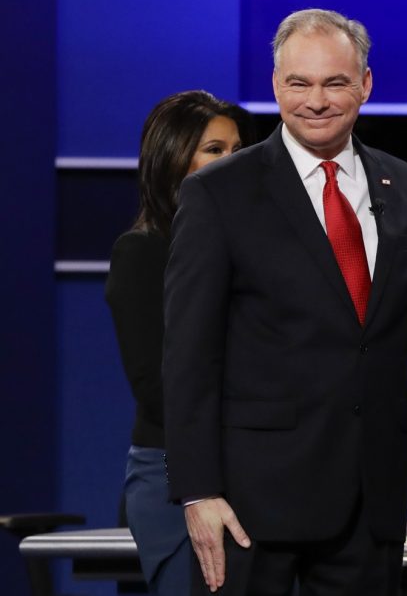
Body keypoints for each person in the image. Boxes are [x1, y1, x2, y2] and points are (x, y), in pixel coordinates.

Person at [162, 8, 407, 596]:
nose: (317, 101)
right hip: (252, 503)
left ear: (366, 85)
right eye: (299, 83)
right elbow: (188, 354)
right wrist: (199, 490)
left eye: (335, 82)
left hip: (369, 496)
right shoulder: (218, 193)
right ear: (277, 85)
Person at [105, 90, 255, 595]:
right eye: (214, 150)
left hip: (251, 470)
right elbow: (159, 389)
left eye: (237, 150)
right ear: (172, 158)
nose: (231, 162)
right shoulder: (143, 253)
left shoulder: (251, 253)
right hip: (177, 478)